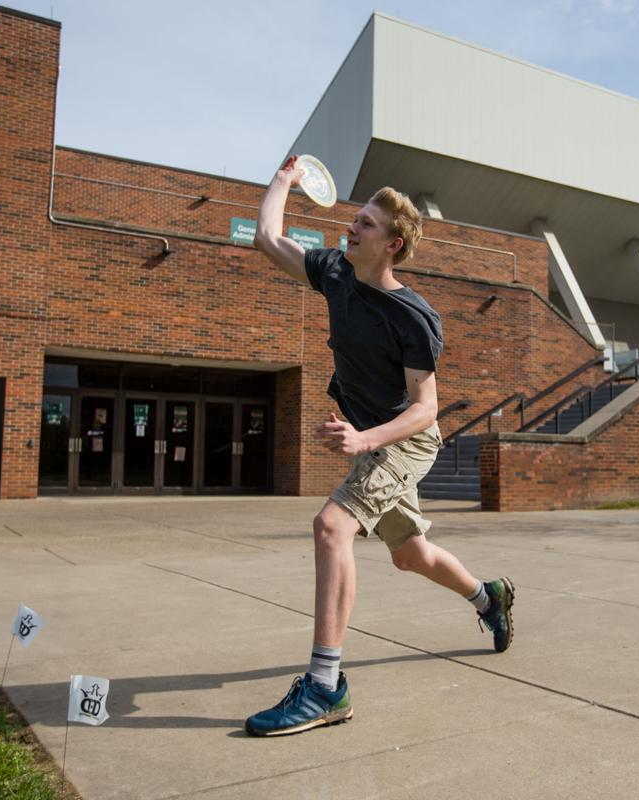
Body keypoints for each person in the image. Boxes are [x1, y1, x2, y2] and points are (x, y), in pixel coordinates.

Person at [245, 156, 515, 737]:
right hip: (374, 442)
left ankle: (324, 688)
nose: (351, 227)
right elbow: (268, 239)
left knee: (331, 527)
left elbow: (426, 409)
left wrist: (365, 437)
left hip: (407, 440)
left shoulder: (413, 317)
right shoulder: (335, 273)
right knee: (409, 554)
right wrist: (283, 182)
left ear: (392, 244)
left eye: (365, 224)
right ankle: (488, 598)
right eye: (355, 218)